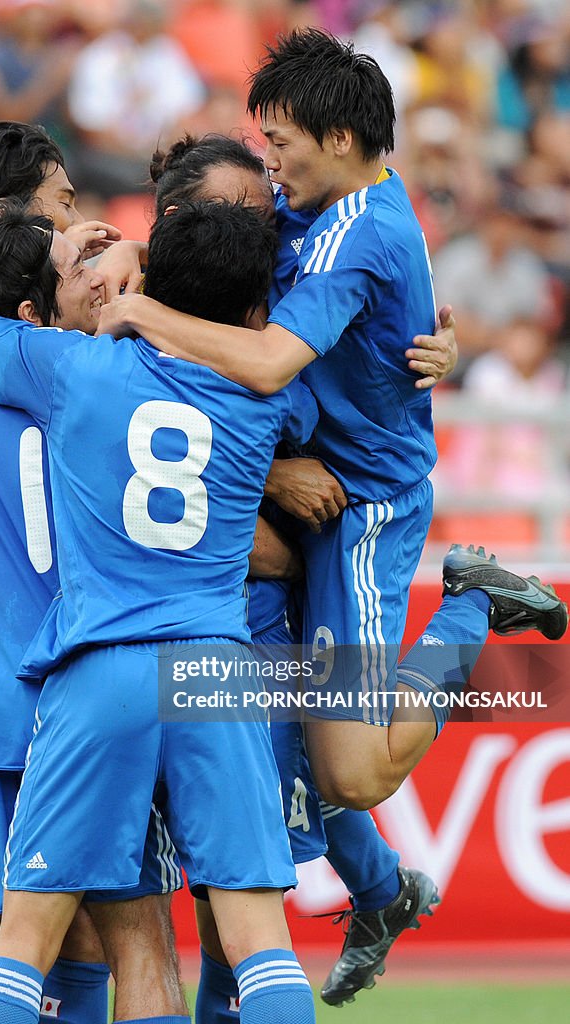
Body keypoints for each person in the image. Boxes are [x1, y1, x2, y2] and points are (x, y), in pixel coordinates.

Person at [97, 28, 567, 992]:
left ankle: (472, 603)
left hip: (359, 514)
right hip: (292, 494)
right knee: (265, 746)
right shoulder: (306, 203)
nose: (269, 163)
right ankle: (381, 887)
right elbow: (210, 273)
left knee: (346, 771)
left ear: (343, 138)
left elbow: (268, 364)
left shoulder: (361, 232)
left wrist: (138, 312)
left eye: (281, 143)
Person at [0, 198, 317, 1024]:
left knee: (24, 941)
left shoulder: (73, 369)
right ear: (255, 310)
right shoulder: (265, 397)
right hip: (216, 668)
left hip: (100, 667)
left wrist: (89, 262)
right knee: (260, 940)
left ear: (152, 282)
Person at [147, 132, 439, 1015]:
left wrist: (438, 353)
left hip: (254, 619)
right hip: (170, 628)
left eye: (262, 204)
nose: (263, 220)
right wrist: (269, 475)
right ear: (172, 222)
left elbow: (274, 534)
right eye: (235, 210)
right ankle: (386, 890)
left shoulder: (275, 320)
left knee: (237, 882)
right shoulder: (122, 301)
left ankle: (464, 619)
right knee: (205, 881)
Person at [0, 201, 185, 1024]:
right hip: (68, 706)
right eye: (69, 274)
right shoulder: (76, 406)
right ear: (29, 315)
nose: (90, 281)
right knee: (121, 943)